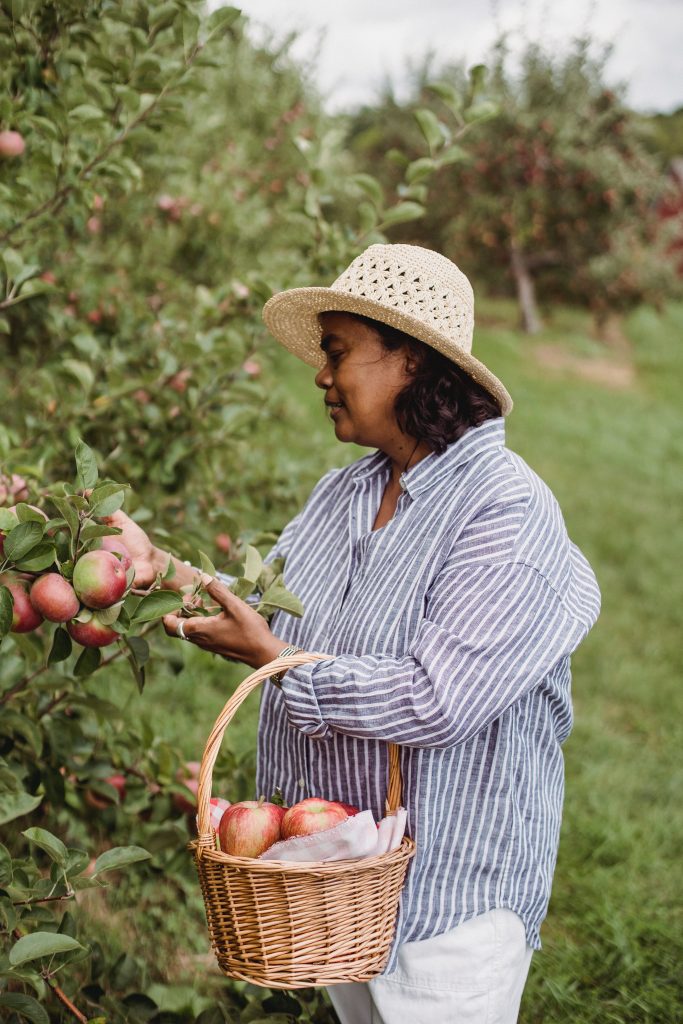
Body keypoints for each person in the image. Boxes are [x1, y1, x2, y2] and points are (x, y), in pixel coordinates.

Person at [109, 244, 601, 1024]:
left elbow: (438, 698)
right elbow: (273, 606)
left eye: (337, 352)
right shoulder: (349, 489)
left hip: (449, 900)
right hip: (345, 878)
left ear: (409, 362)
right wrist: (161, 570)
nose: (320, 374)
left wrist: (278, 667)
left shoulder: (504, 511)